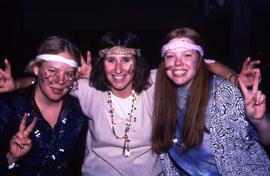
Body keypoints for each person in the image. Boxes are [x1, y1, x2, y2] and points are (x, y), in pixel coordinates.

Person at [0, 32, 262, 176]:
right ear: (102, 64)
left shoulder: (155, 82)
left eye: (126, 60)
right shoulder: (88, 87)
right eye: (111, 60)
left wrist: (234, 77)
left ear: (137, 63)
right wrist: (17, 85)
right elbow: (54, 81)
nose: (118, 69)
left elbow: (201, 63)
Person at [152, 27, 270, 175]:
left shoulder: (224, 93)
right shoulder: (157, 89)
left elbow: (267, 139)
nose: (177, 63)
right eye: (170, 56)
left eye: (187, 55)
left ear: (199, 59)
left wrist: (259, 120)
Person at [0, 36, 88, 176]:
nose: (60, 81)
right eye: (53, 71)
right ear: (37, 69)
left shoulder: (79, 111)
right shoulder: (9, 108)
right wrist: (12, 158)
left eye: (68, 74)